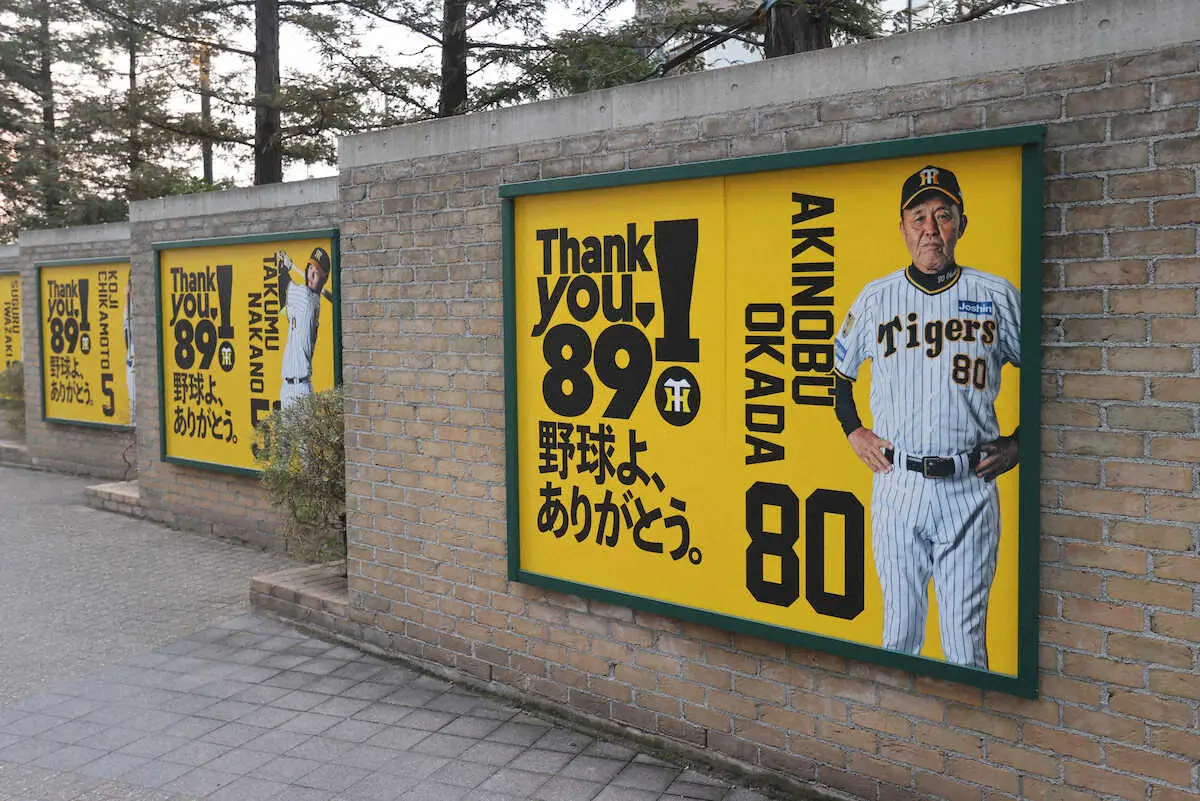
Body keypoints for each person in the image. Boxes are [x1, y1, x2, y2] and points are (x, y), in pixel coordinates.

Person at [832, 165, 1020, 670]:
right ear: (902, 227)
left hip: (970, 487)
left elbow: (1054, 374)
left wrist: (1020, 442)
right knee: (899, 637)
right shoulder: (876, 298)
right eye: (918, 217)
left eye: (943, 215)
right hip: (899, 485)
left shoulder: (997, 295)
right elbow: (839, 377)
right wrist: (854, 432)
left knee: (965, 649)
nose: (930, 229)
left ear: (961, 223)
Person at [277, 246, 331, 409]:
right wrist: (283, 271)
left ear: (324, 278)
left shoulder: (306, 298)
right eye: (310, 268)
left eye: (317, 272)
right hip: (289, 387)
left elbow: (286, 284)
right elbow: (283, 308)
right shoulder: (307, 300)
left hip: (300, 390)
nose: (311, 274)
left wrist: (284, 268)